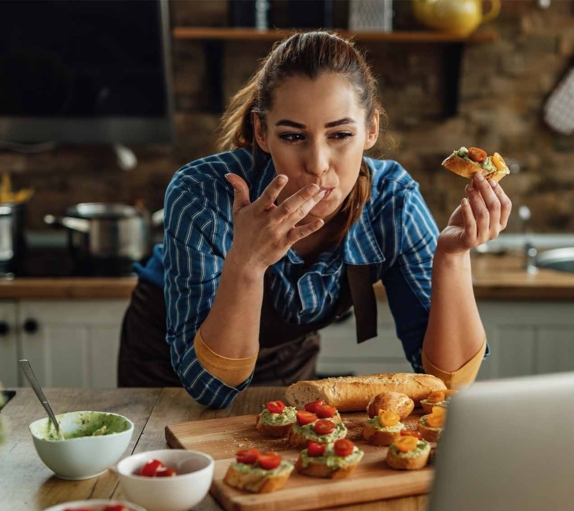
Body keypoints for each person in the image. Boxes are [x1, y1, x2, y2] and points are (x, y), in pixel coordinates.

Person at [118, 31, 511, 409]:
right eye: (292, 137)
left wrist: (453, 257)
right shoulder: (201, 193)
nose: (318, 164)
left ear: (371, 129)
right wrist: (247, 264)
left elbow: (447, 383)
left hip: (288, 358)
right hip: (169, 369)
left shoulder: (393, 200)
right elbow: (210, 390)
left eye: (340, 135)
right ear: (261, 131)